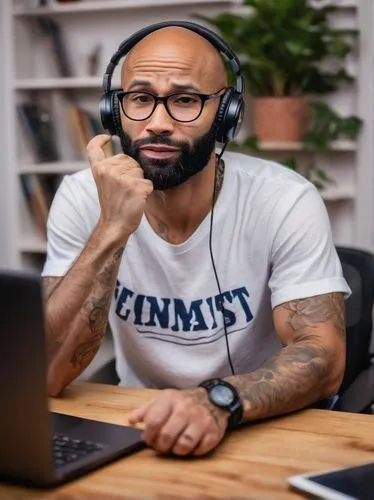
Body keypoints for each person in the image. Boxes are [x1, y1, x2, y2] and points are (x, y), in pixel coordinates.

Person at [42, 21, 350, 458]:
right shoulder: (82, 196)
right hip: (137, 424)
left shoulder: (284, 199)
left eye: (185, 100)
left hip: (254, 421)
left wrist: (217, 401)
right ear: (115, 110)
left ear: (226, 113)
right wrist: (111, 230)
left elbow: (324, 359)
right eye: (141, 99)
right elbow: (47, 374)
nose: (158, 123)